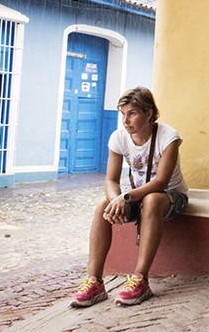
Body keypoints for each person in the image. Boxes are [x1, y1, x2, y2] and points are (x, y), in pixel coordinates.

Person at [70, 86, 188, 308]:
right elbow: (111, 180)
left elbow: (161, 182)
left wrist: (125, 198)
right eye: (123, 114)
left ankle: (140, 280)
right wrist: (117, 200)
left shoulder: (168, 136)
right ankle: (94, 282)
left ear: (149, 113)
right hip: (136, 195)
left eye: (132, 113)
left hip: (170, 197)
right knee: (103, 205)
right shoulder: (119, 137)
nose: (125, 121)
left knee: (152, 199)